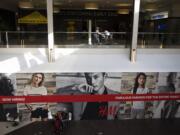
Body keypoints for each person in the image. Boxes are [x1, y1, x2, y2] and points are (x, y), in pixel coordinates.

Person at [57, 72, 121, 120]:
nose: (92, 82)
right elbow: (57, 95)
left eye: (96, 77)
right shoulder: (78, 94)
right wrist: (76, 87)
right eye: (88, 77)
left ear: (105, 77)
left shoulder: (115, 97)